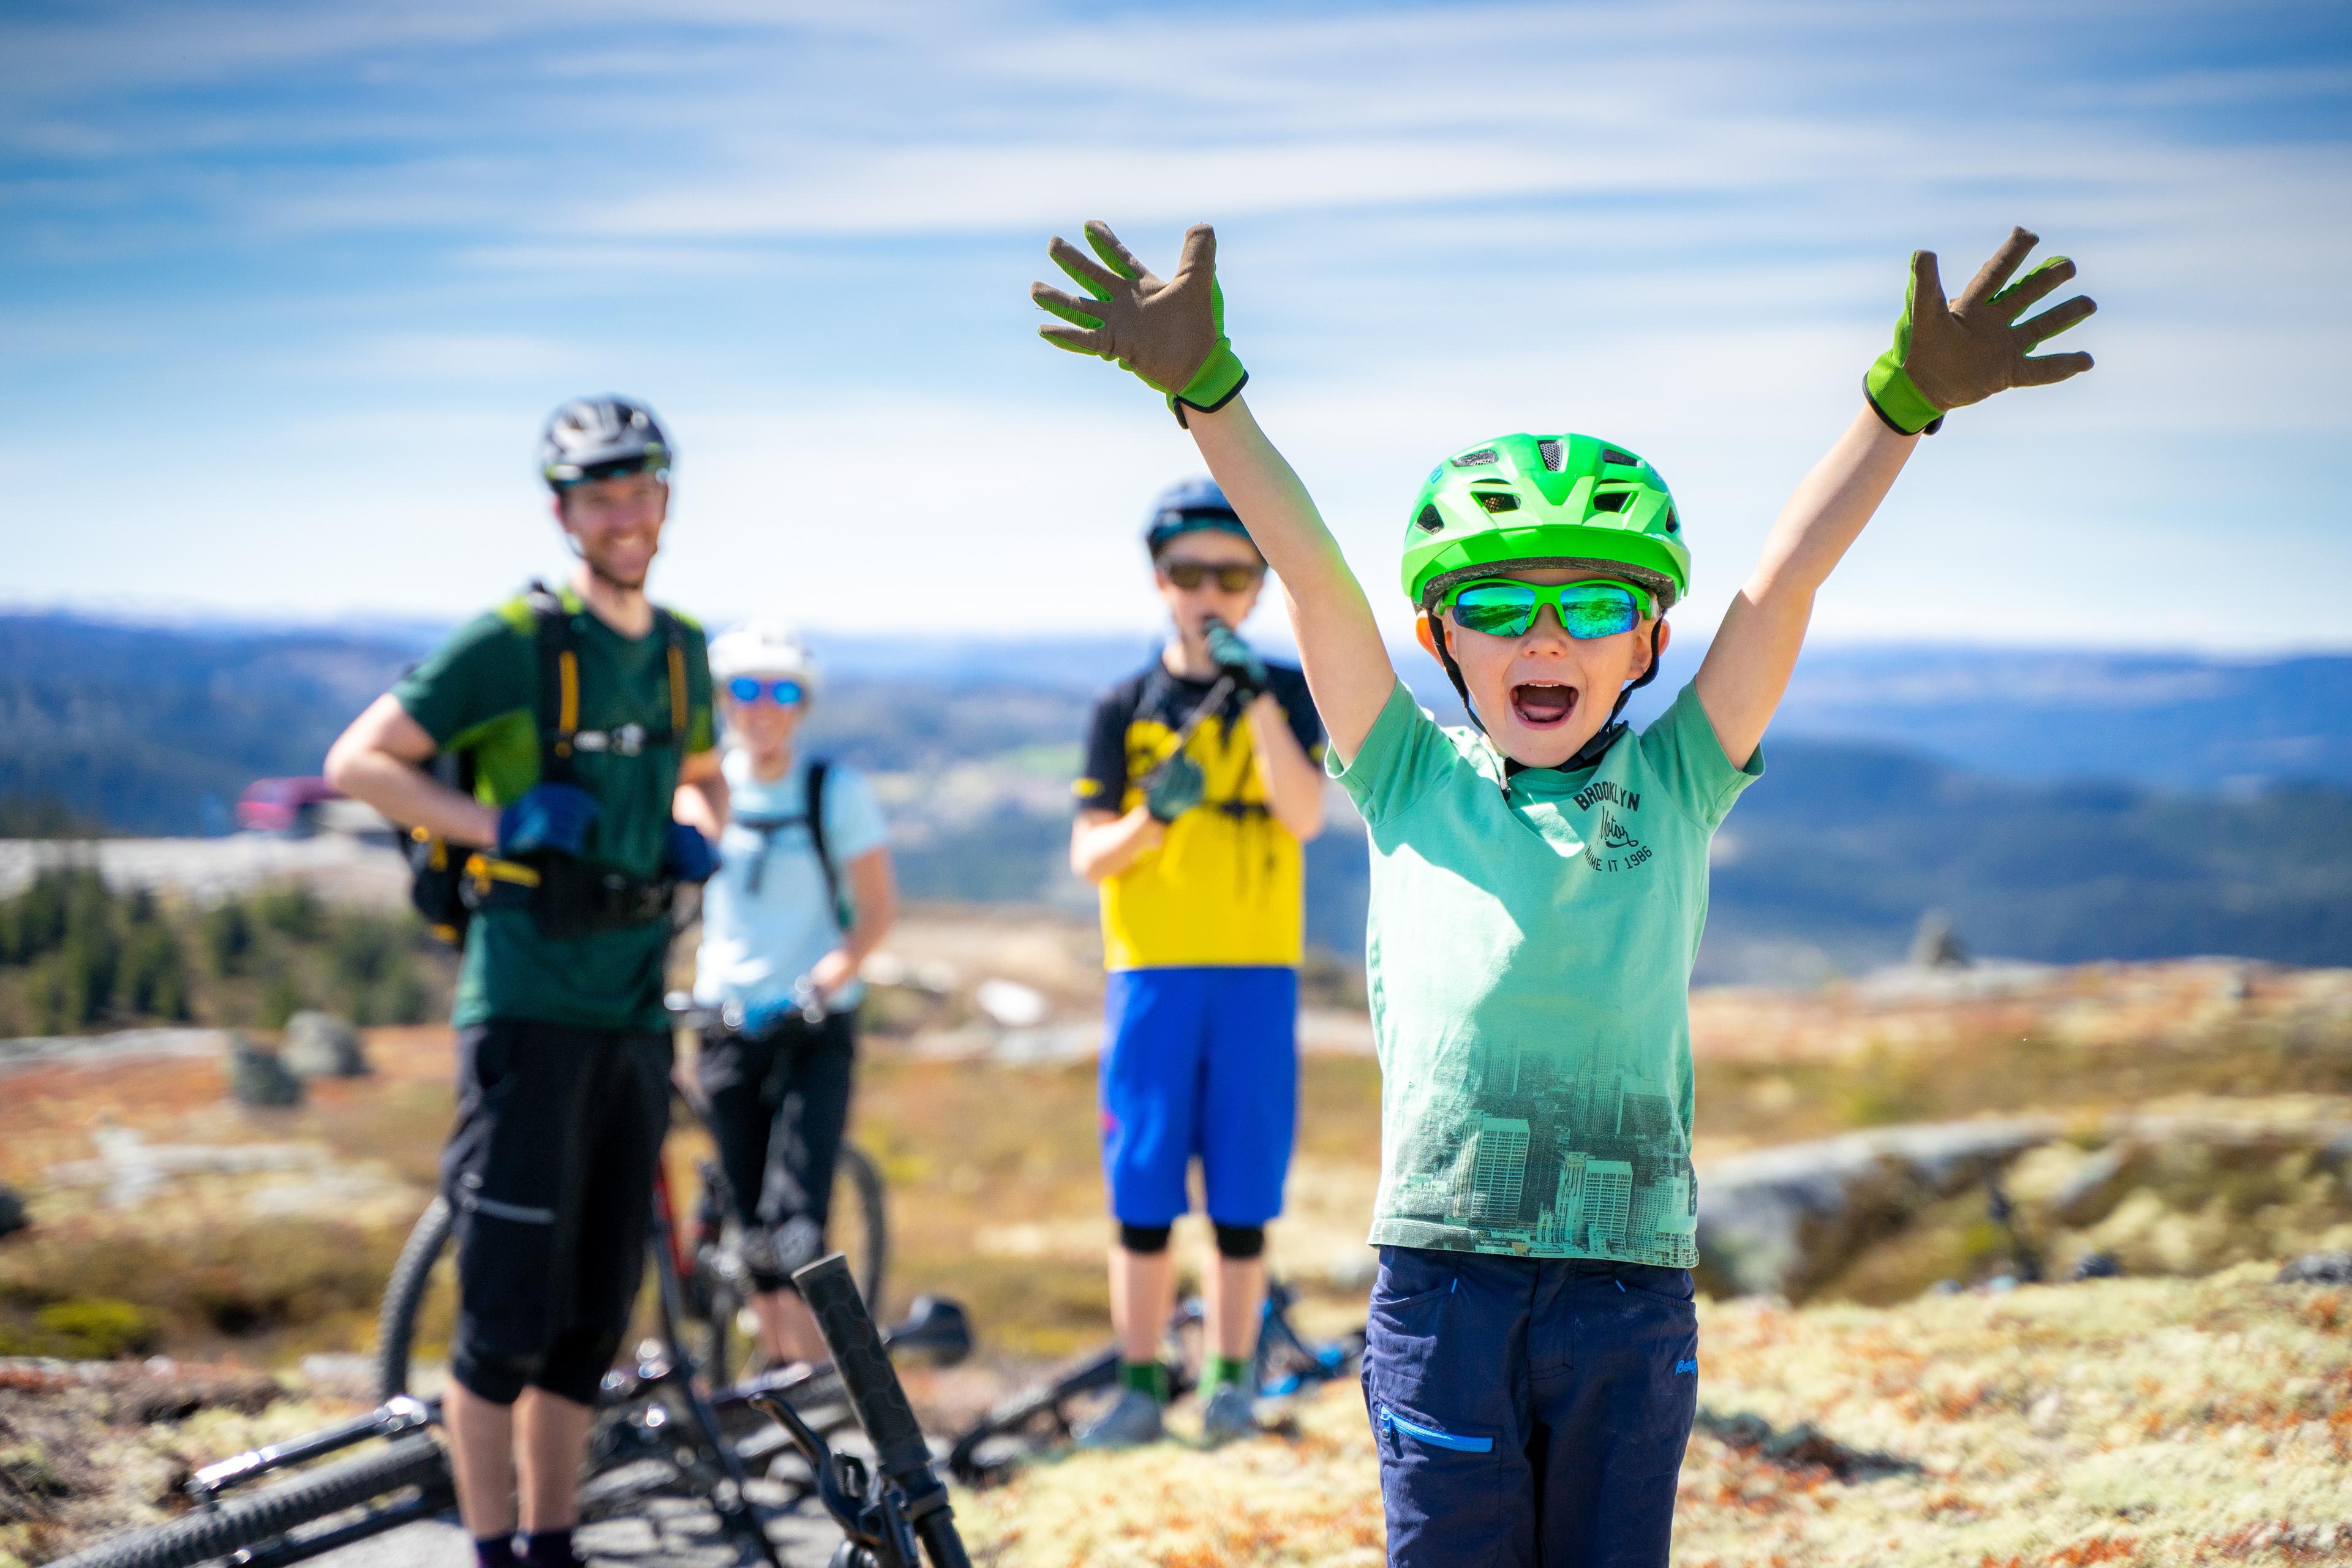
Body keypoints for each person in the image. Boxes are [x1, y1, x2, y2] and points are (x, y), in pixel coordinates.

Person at [1030, 222, 2094, 1561]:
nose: (1546, 636)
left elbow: (1781, 583)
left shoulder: (1680, 777)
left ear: (1651, 636)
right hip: (1441, 1278)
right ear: (1438, 637)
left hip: (1627, 1281)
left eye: (1595, 606)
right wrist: (1210, 393)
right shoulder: (1404, 768)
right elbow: (1308, 571)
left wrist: (1902, 405)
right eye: (1501, 606)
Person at [325, 396, 724, 1568]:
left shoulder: (685, 646)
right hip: (527, 1005)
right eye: (599, 494)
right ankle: (492, 1551)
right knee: (503, 1314)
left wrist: (697, 825)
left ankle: (556, 1543)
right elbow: (360, 761)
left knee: (592, 1316)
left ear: (667, 496)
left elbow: (703, 777)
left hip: (635, 1011)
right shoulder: (512, 640)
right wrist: (498, 819)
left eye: (643, 488)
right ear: (563, 512)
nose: (626, 514)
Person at [1068, 477, 1327, 1446]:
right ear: (1159, 580)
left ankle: (1230, 1381)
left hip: (1259, 971)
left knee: (1243, 1192)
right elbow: (1090, 855)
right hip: (1151, 972)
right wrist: (1151, 817)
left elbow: (1303, 815)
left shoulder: (1289, 695)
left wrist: (1258, 700)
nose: (1210, 592)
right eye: (1190, 573)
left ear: (1259, 587)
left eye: (1232, 573)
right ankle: (1140, 1385)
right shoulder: (1124, 703)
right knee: (1140, 1184)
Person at [691, 617, 897, 1366]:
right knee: (751, 1230)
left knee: (798, 1225)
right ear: (724, 699)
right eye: (746, 690)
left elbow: (875, 910)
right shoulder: (705, 785)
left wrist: (829, 977)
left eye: (781, 691)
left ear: (802, 704)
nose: (763, 707)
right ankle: (772, 1384)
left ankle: (808, 1383)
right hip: (724, 1022)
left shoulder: (833, 791)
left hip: (814, 1024)